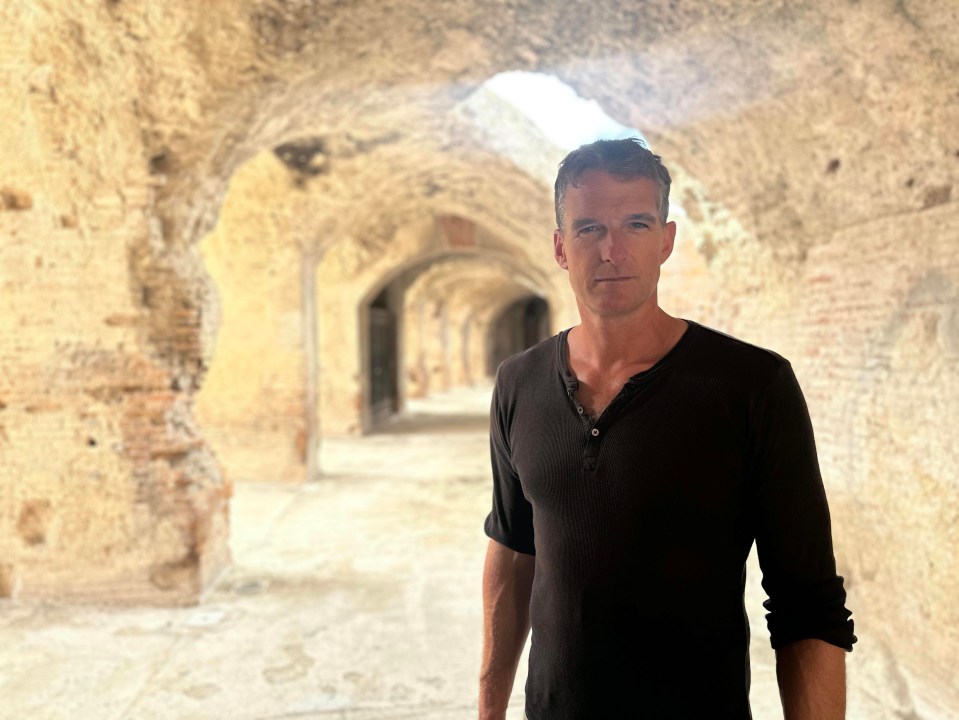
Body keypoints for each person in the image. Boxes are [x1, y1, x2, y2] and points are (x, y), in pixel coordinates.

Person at [479, 138, 855, 719]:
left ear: (666, 241)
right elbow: (512, 547)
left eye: (636, 223)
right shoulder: (519, 383)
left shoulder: (752, 386)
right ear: (559, 246)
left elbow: (807, 604)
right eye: (588, 229)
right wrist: (488, 710)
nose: (612, 250)